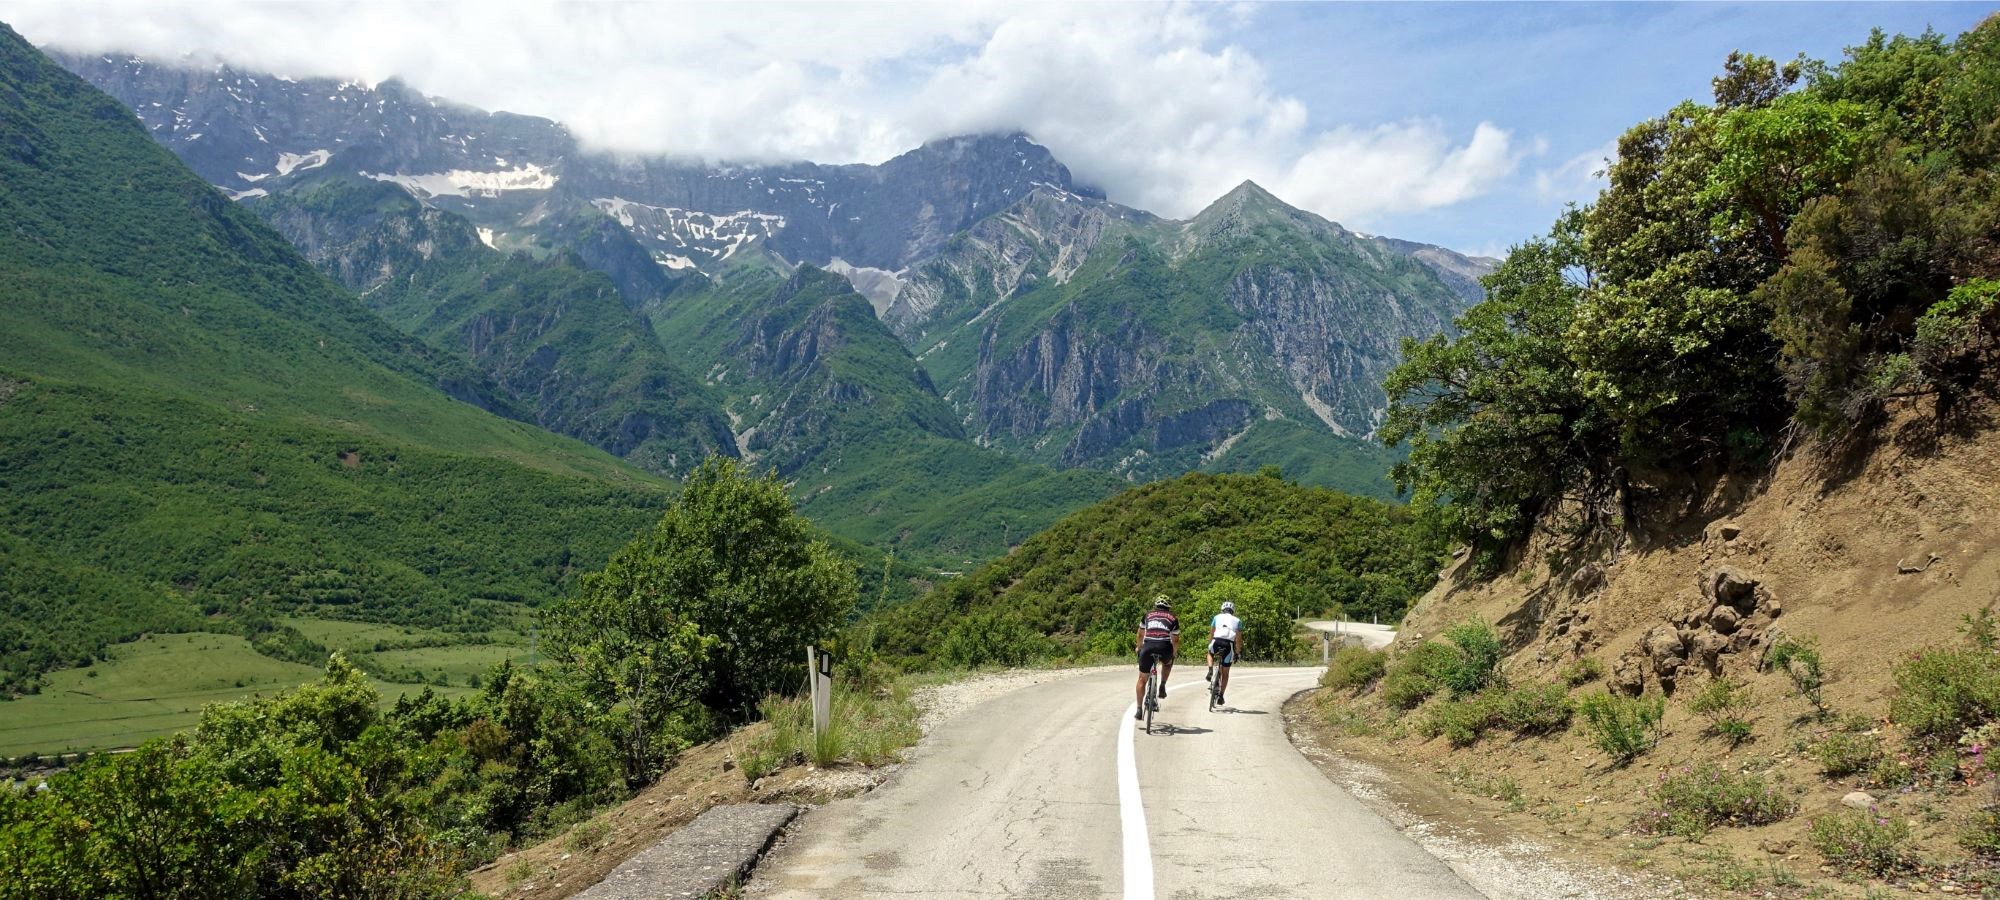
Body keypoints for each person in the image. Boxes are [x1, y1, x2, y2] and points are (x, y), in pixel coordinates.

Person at [1134, 596, 1179, 718]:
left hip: (1148, 647)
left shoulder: (1147, 615)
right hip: (1164, 647)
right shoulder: (1173, 618)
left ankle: (1138, 710)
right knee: (1168, 663)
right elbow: (1175, 640)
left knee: (1142, 679)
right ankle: (1163, 685)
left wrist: (1139, 648)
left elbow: (1140, 634)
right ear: (1169, 606)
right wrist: (1173, 654)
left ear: (1155, 606)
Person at [1205, 600, 1245, 704]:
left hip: (1216, 640)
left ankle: (1210, 670)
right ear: (1233, 611)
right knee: (1225, 673)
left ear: (1222, 610)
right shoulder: (1237, 620)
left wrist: (1210, 643)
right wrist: (1237, 652)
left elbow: (1212, 632)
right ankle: (1221, 696)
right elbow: (1239, 639)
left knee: (1210, 653)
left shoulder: (1216, 617)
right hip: (1229, 644)